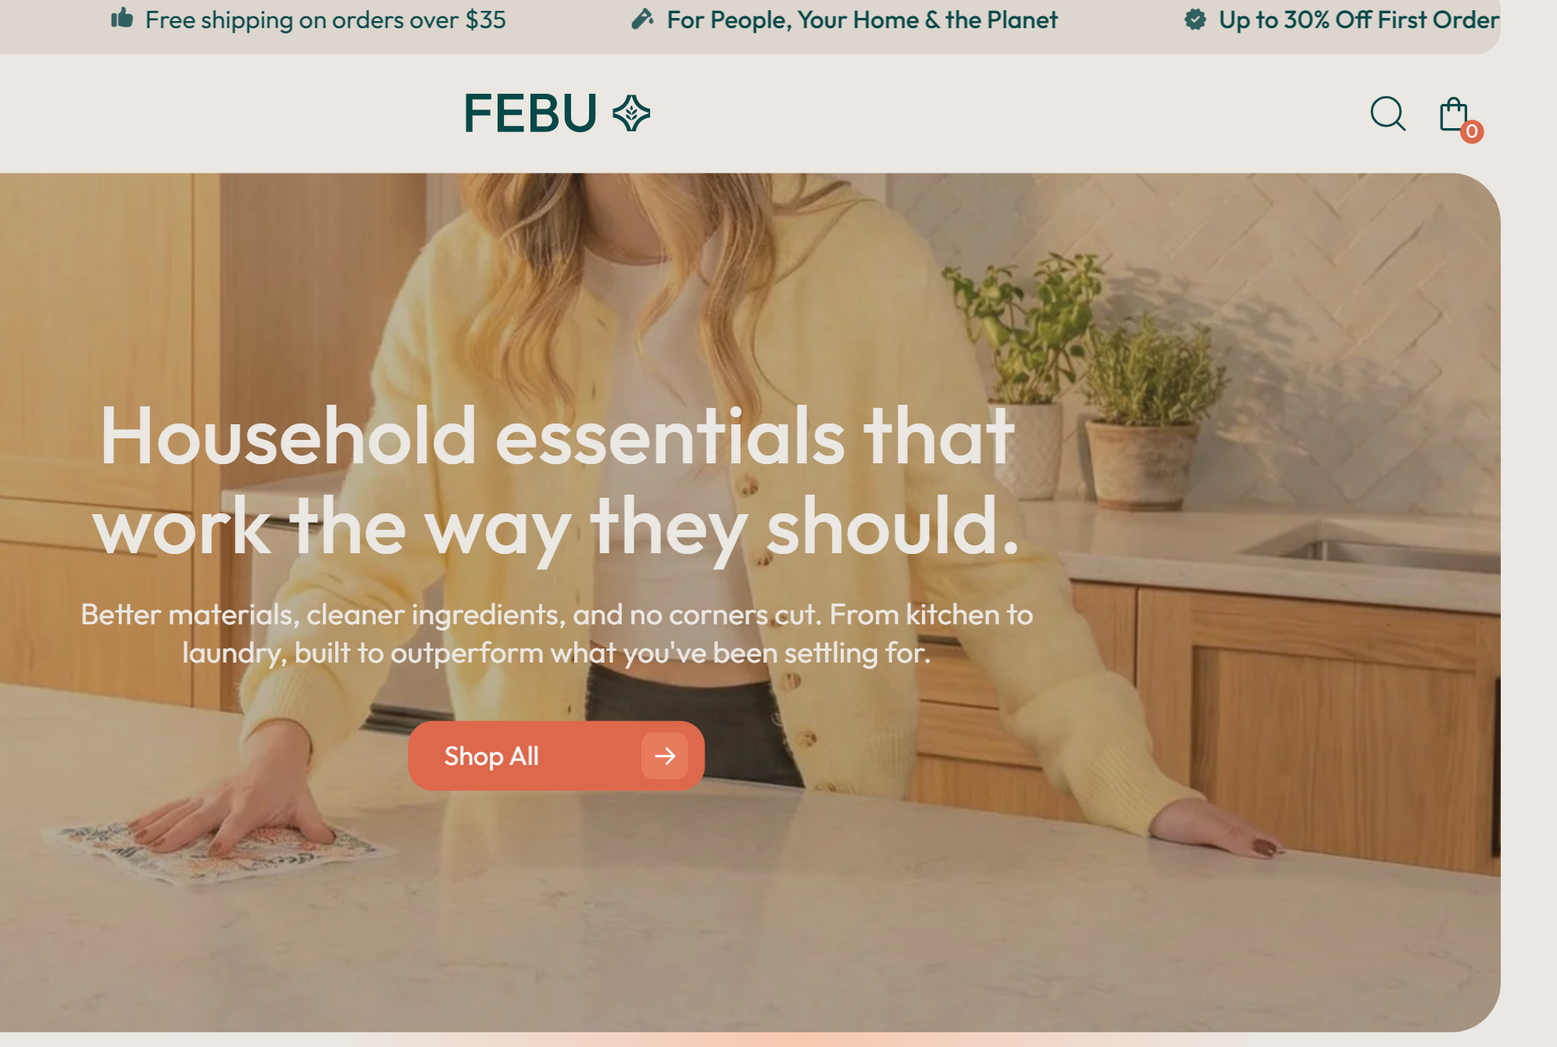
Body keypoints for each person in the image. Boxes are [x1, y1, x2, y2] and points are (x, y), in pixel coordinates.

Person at [129, 174, 1283, 861]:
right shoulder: (463, 278)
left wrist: (1134, 788)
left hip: (797, 771)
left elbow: (987, 563)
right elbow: (364, 559)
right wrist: (277, 744)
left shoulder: (863, 263)